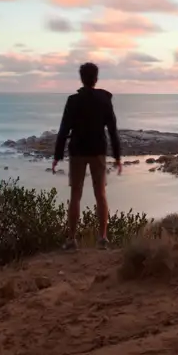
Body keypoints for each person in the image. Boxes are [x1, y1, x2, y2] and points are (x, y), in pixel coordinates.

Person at [51, 62, 122, 250]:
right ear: (96, 78)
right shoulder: (105, 100)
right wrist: (117, 156)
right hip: (98, 150)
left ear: (81, 79)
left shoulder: (73, 100)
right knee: (101, 194)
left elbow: (64, 129)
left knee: (75, 195)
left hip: (77, 151)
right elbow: (113, 130)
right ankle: (103, 239)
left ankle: (72, 239)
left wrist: (57, 155)